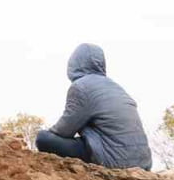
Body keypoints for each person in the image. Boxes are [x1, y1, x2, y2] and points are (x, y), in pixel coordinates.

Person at [35, 42, 152, 170]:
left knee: (43, 138)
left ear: (74, 64)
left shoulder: (81, 87)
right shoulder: (116, 87)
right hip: (144, 163)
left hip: (114, 160)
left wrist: (49, 133)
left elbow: (64, 130)